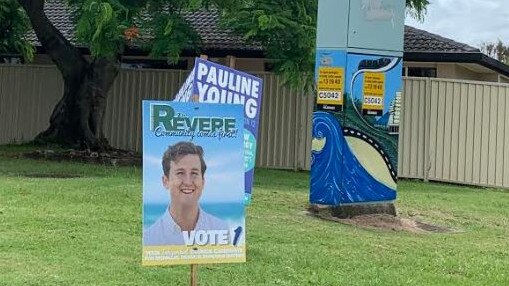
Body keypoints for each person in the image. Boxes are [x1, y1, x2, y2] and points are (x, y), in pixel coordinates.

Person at [143, 141, 228, 246]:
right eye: (180, 173)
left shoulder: (222, 231)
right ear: (166, 181)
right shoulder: (150, 239)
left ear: (203, 181)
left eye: (194, 173)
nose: (188, 182)